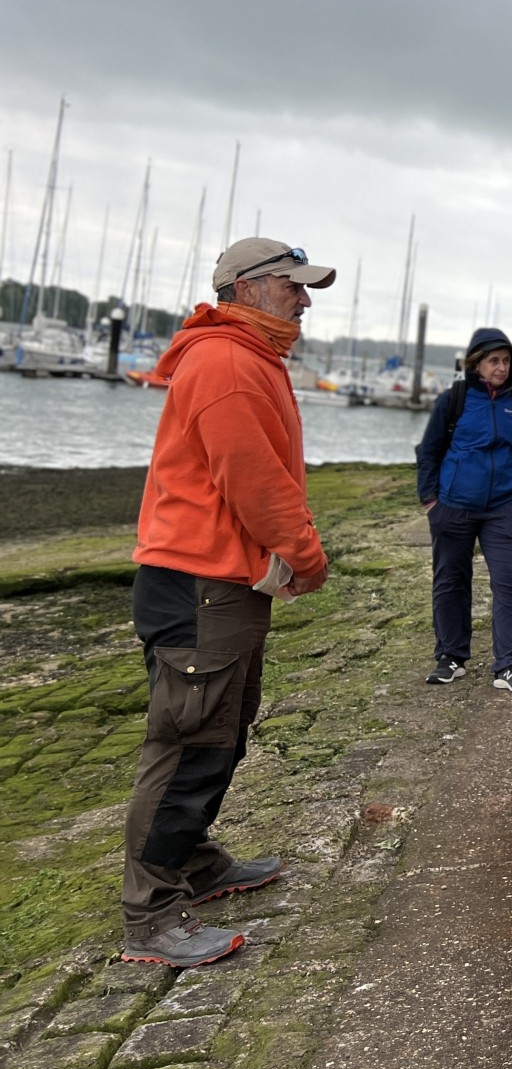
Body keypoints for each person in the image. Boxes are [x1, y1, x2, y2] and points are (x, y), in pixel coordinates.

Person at [121, 238, 334, 968]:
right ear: (244, 289)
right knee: (187, 744)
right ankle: (149, 916)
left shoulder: (249, 357)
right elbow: (256, 484)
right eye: (293, 287)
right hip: (198, 585)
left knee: (220, 733)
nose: (304, 301)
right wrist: (307, 556)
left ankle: (193, 860)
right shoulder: (228, 361)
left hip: (221, 581)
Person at [415, 328, 512, 693]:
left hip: (504, 507)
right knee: (451, 581)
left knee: (509, 582)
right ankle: (451, 658)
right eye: (494, 361)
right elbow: (430, 451)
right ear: (476, 364)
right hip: (453, 507)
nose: (501, 368)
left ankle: (509, 666)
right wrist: (432, 502)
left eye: (506, 361)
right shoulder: (454, 399)